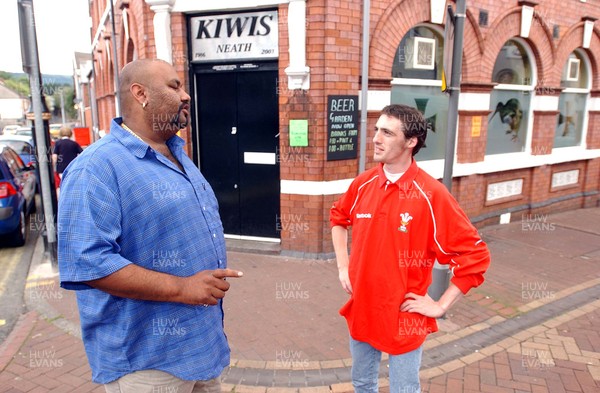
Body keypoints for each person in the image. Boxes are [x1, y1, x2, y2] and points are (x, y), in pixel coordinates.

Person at [58, 58, 243, 393]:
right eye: (174, 86)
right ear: (140, 94)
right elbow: (88, 264)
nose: (186, 95)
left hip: (202, 345)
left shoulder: (177, 153)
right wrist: (182, 287)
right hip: (147, 363)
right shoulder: (96, 168)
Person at [330, 104, 491, 393]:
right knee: (362, 384)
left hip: (404, 316)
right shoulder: (363, 183)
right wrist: (344, 266)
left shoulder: (432, 194)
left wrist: (440, 306)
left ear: (411, 142)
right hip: (363, 307)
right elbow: (338, 219)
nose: (376, 138)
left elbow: (475, 255)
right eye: (377, 129)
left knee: (403, 389)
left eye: (387, 132)